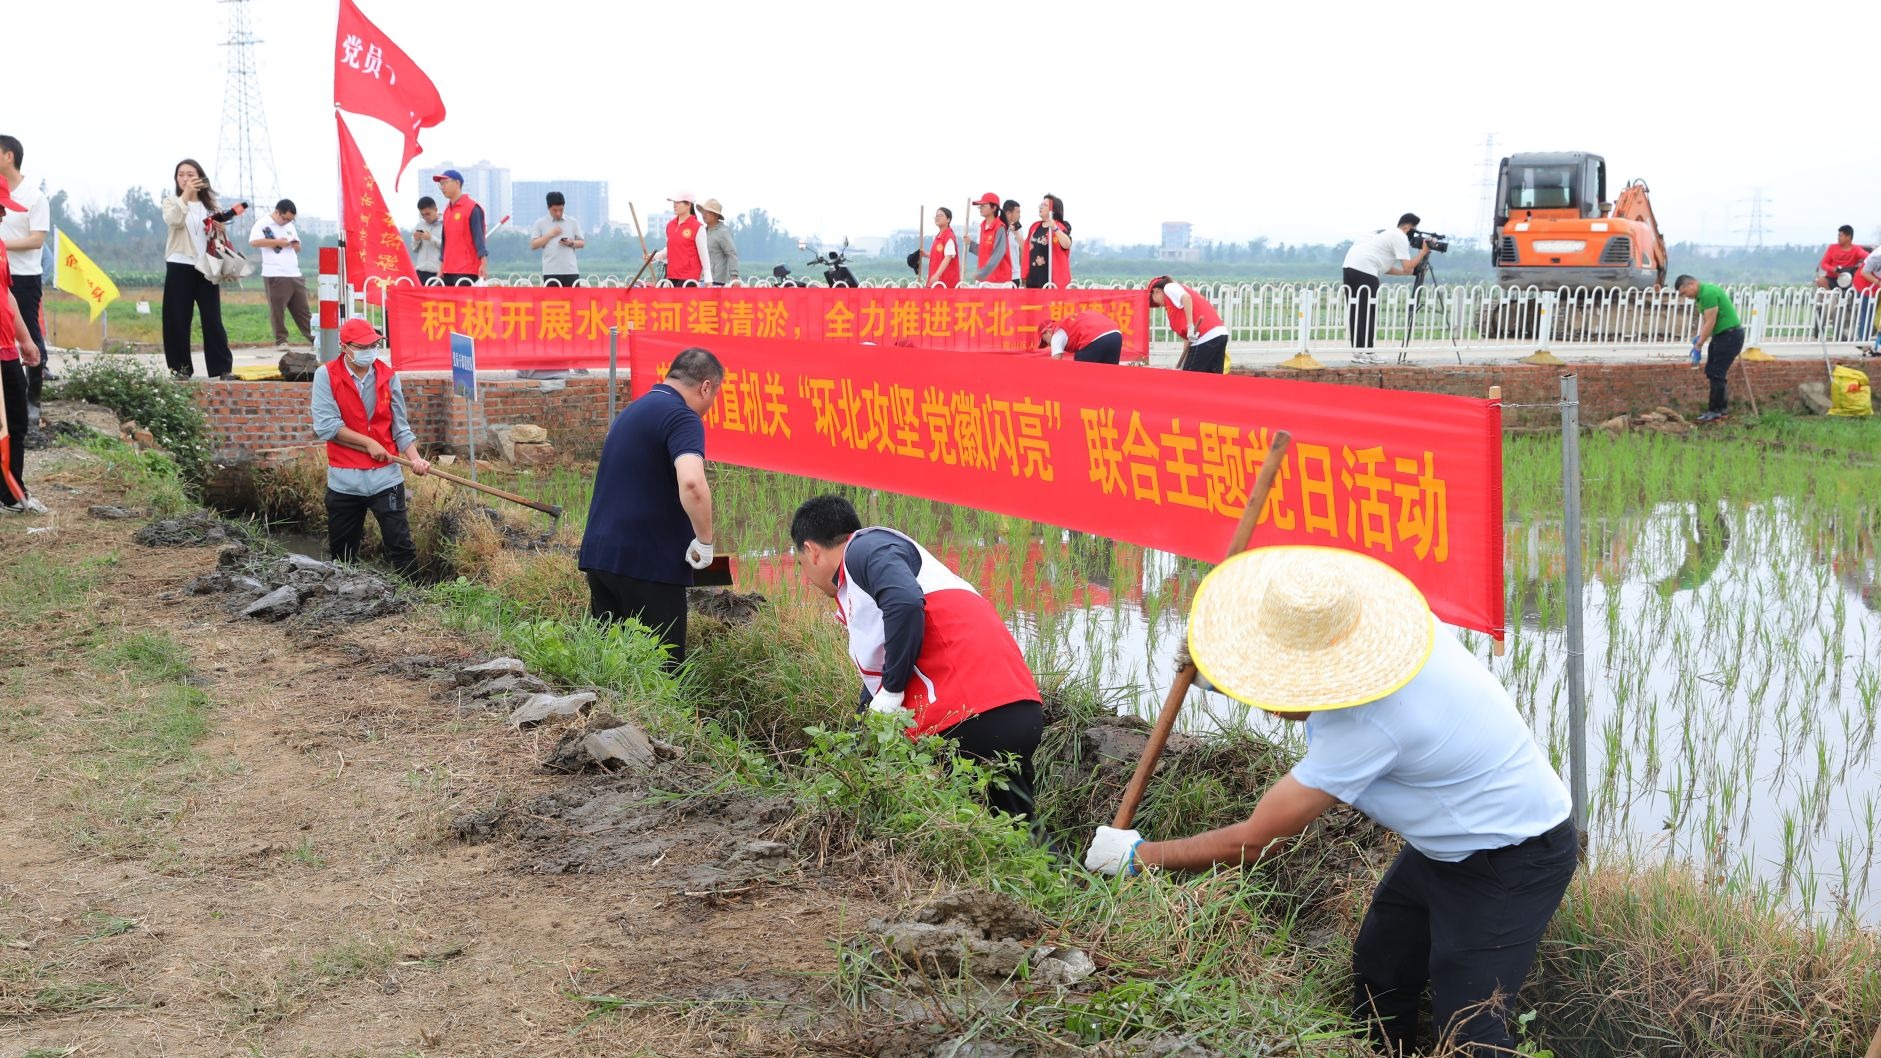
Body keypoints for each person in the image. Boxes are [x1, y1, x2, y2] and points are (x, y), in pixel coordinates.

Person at [1085, 546, 1575, 1057]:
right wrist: (1215, 667)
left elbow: (1258, 841)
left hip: (1513, 857)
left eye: (1276, 688)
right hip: (1446, 842)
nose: (1271, 707)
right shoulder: (1387, 633)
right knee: (1381, 969)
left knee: (1471, 1027)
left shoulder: (1368, 723)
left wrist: (1138, 856)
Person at [789, 494, 1045, 827]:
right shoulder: (865, 581)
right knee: (1019, 833)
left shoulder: (864, 549)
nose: (807, 576)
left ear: (812, 551)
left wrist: (893, 691)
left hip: (966, 716)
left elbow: (906, 603)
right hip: (1018, 709)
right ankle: (1070, 874)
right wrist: (858, 736)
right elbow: (878, 683)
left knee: (919, 826)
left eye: (801, 564)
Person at [579, 347, 722, 669]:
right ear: (705, 387)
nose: (709, 407)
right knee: (663, 670)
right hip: (647, 565)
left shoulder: (634, 410)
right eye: (714, 396)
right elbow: (692, 484)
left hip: (601, 558)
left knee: (613, 665)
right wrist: (705, 541)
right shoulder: (682, 416)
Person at [308, 318, 432, 575]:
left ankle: (416, 605)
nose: (370, 351)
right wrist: (368, 442)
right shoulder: (326, 376)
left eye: (374, 344)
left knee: (401, 547)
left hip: (385, 477)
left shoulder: (388, 377)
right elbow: (326, 427)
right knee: (342, 554)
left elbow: (400, 427)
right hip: (344, 479)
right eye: (363, 346)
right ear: (345, 347)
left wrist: (416, 459)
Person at [160, 158, 239, 380]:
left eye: (190, 174)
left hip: (207, 267)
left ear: (200, 177)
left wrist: (220, 229)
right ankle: (180, 369)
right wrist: (185, 195)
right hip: (179, 264)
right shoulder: (171, 202)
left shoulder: (211, 206)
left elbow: (219, 238)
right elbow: (174, 220)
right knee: (177, 318)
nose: (185, 178)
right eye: (181, 175)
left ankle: (222, 368)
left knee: (212, 318)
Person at [0, 176, 47, 514]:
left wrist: (27, 341)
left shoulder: (1, 247)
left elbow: (8, 295)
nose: (4, 216)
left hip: (8, 350)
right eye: (1, 209)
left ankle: (12, 495)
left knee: (16, 423)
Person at [0, 136, 51, 410]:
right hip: (0, 273)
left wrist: (1, 246)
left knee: (29, 333)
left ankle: (34, 399)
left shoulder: (34, 196)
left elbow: (36, 240)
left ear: (9, 156)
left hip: (23, 276)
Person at [1342, 212, 1431, 362]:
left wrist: (1409, 273)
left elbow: (1387, 268)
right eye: (1414, 230)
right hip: (1366, 271)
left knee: (1356, 312)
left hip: (1349, 268)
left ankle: (1358, 353)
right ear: (1408, 227)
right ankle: (1369, 353)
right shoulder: (1400, 236)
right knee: (1367, 312)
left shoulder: (1382, 235)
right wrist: (1423, 252)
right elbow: (1408, 266)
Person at [1673, 274, 1743, 423]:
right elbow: (1706, 321)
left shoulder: (1708, 293)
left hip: (1730, 336)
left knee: (1717, 373)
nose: (1686, 297)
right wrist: (1700, 337)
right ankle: (1720, 410)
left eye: (1685, 293)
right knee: (1713, 372)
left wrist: (1699, 344)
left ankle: (1715, 411)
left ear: (1692, 284)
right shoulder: (1700, 297)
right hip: (1721, 336)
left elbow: (1711, 320)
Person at [248, 199, 313, 350]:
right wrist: (276, 242)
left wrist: (296, 245)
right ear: (277, 212)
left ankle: (314, 339)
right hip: (275, 272)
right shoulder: (263, 223)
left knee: (302, 309)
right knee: (278, 309)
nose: (287, 222)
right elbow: (254, 242)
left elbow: (297, 248)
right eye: (285, 218)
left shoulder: (289, 226)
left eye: (291, 220)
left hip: (293, 272)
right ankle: (281, 340)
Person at [1148, 276, 1228, 373]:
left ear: (1156, 291)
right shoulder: (1177, 300)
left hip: (1205, 336)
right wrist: (1183, 365)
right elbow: (1188, 338)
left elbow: (1186, 298)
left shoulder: (1168, 287)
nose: (1159, 305)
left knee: (1190, 380)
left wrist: (1190, 326)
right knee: (1213, 379)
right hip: (1220, 334)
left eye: (1154, 300)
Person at [1817, 224, 1875, 344]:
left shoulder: (1856, 250)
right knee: (1821, 281)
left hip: (1847, 280)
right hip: (1832, 279)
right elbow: (1824, 264)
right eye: (1838, 235)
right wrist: (1833, 269)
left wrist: (1862, 264)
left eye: (1841, 235)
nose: (1838, 237)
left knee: (1857, 289)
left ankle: (1853, 311)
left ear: (1848, 237)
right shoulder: (1832, 248)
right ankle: (1826, 308)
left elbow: (1868, 257)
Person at [433, 169, 487, 287]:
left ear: (457, 183)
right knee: (439, 303)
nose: (442, 187)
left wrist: (483, 263)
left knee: (463, 304)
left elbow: (479, 238)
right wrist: (441, 267)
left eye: (445, 183)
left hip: (466, 269)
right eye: (440, 184)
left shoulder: (472, 208)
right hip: (448, 269)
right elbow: (445, 241)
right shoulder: (447, 210)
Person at [650, 192, 711, 287]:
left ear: (688, 205)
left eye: (678, 202)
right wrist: (653, 257)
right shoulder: (670, 226)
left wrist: (708, 278)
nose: (675, 205)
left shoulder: (697, 227)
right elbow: (670, 248)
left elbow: (704, 254)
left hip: (689, 277)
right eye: (674, 202)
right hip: (672, 275)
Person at [529, 191, 584, 288]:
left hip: (570, 271)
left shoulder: (572, 222)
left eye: (561, 210)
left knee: (572, 302)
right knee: (552, 301)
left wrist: (571, 243)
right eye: (555, 210)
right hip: (550, 272)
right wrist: (550, 235)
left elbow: (582, 243)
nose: (558, 213)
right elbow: (534, 245)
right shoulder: (540, 223)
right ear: (548, 208)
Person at [1024, 194, 1072, 289]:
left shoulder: (1059, 227)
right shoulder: (1034, 227)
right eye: (1041, 205)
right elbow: (1026, 248)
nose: (1040, 207)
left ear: (1052, 210)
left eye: (1044, 205)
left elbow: (1067, 244)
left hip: (1052, 281)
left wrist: (1055, 227)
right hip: (1034, 279)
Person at [1038, 310, 1122, 364]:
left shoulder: (1056, 333)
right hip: (1116, 334)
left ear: (1048, 331)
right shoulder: (1070, 323)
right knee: (1110, 376)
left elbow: (1055, 365)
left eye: (1045, 341)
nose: (1049, 345)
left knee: (1080, 376)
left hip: (1094, 337)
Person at [972, 192, 1012, 286]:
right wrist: (970, 244)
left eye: (984, 205)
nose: (980, 208)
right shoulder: (982, 226)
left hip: (998, 281)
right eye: (980, 205)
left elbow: (998, 253)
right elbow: (983, 251)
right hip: (984, 280)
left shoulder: (1000, 228)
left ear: (994, 208)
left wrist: (983, 273)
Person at [701, 198, 739, 286]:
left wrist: (734, 276)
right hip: (702, 278)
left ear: (716, 215)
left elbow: (731, 253)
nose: (704, 214)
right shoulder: (703, 231)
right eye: (703, 211)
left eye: (708, 212)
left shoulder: (723, 232)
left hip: (716, 279)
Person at [411, 197, 443, 286]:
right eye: (422, 215)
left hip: (436, 272)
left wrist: (431, 238)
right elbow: (414, 249)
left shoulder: (445, 225)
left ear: (435, 210)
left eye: (428, 214)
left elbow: (447, 247)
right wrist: (416, 239)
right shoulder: (420, 225)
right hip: (420, 271)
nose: (425, 217)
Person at [925, 207, 960, 288]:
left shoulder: (949, 236)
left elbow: (948, 257)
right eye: (936, 216)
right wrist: (925, 254)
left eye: (940, 216)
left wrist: (937, 274)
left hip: (946, 283)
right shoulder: (938, 236)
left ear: (948, 219)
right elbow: (938, 256)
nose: (937, 218)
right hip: (936, 282)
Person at [1002, 199, 1025, 286]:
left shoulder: (1019, 229)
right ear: (1008, 214)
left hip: (1014, 275)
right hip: (999, 275)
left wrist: (1023, 273)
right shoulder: (999, 227)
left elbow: (1022, 250)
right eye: (1018, 212)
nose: (1020, 215)